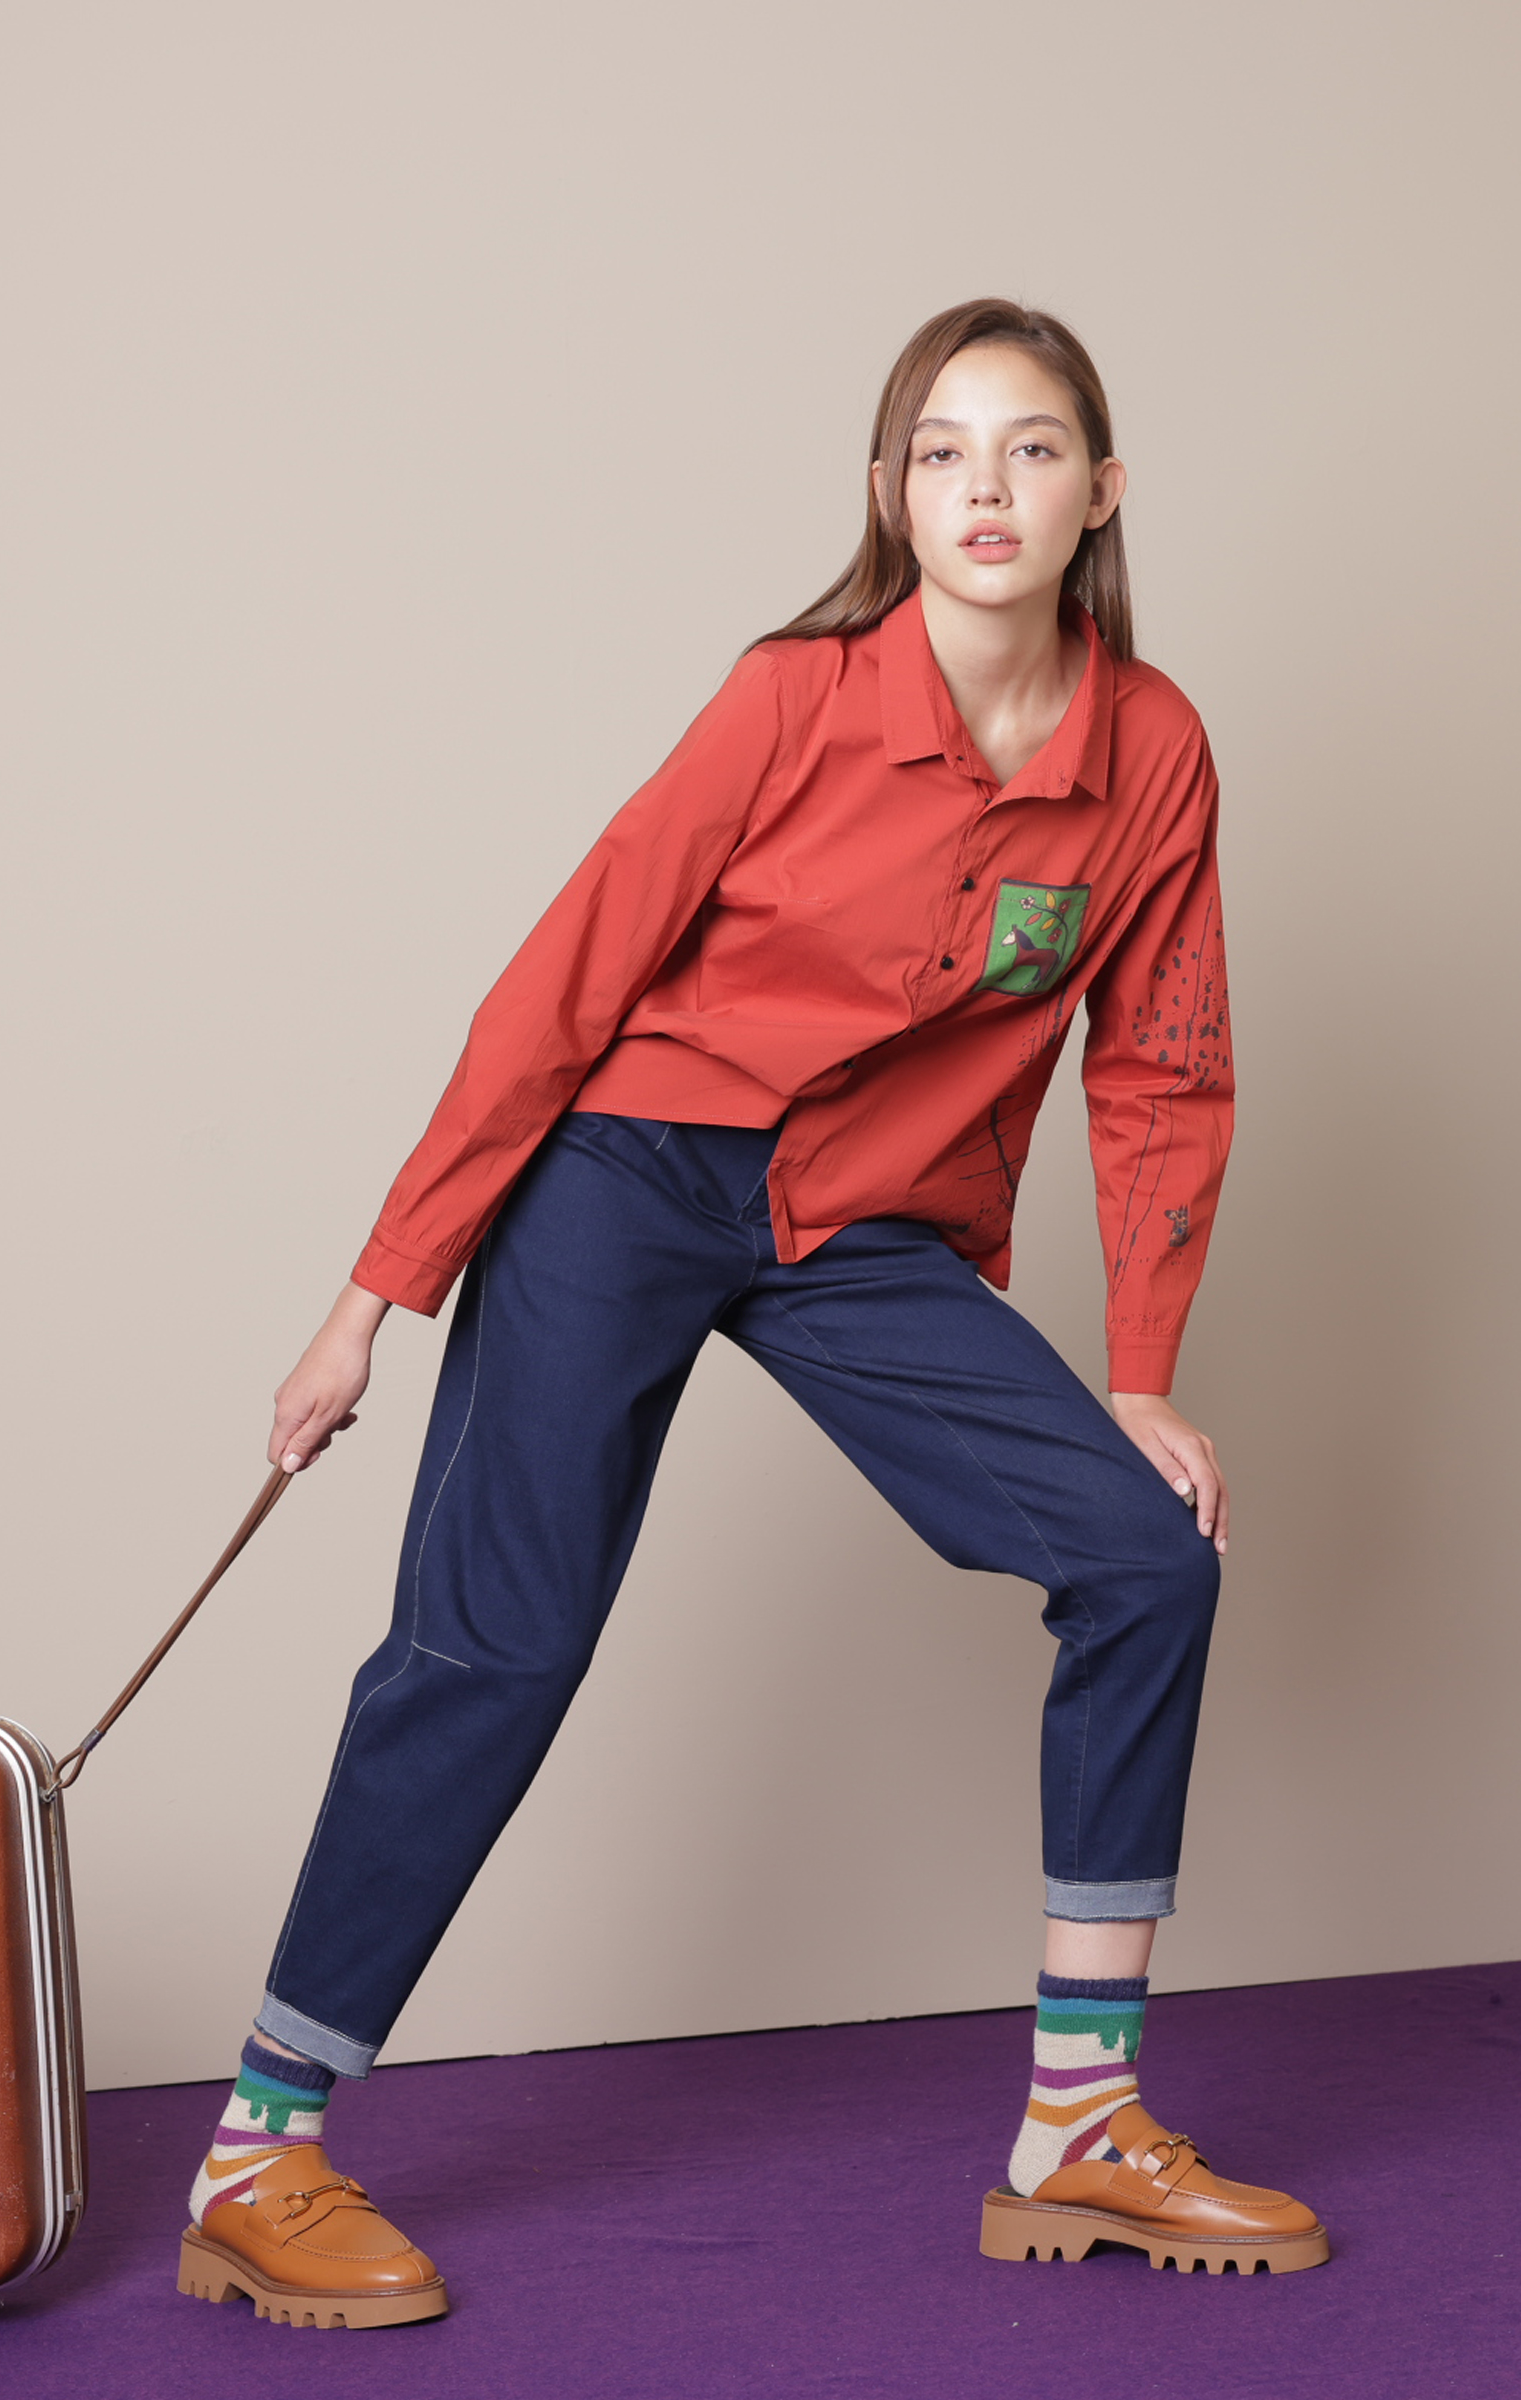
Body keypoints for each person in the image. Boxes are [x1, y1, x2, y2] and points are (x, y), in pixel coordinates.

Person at [175, 298, 1326, 2331]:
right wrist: (376, 1295)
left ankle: (1078, 2123)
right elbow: (565, 976)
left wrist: (1141, 1376)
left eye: (1032, 447)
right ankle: (260, 2153)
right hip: (626, 1173)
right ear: (888, 492)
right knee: (497, 1644)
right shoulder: (794, 697)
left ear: (1102, 492)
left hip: (862, 1219)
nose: (985, 487)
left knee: (1149, 1559)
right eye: (941, 451)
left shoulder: (1151, 749)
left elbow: (1164, 1061)